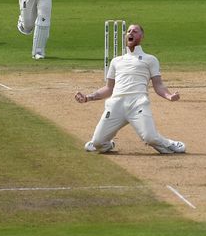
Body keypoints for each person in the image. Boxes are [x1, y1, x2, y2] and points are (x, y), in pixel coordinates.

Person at [74, 24, 185, 154]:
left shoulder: (150, 59)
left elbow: (158, 85)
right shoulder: (116, 61)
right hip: (116, 105)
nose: (131, 33)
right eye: (129, 31)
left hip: (138, 104)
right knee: (97, 143)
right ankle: (107, 144)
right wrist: (88, 97)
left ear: (141, 37)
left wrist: (169, 96)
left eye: (135, 31)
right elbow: (109, 88)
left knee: (150, 138)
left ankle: (169, 144)